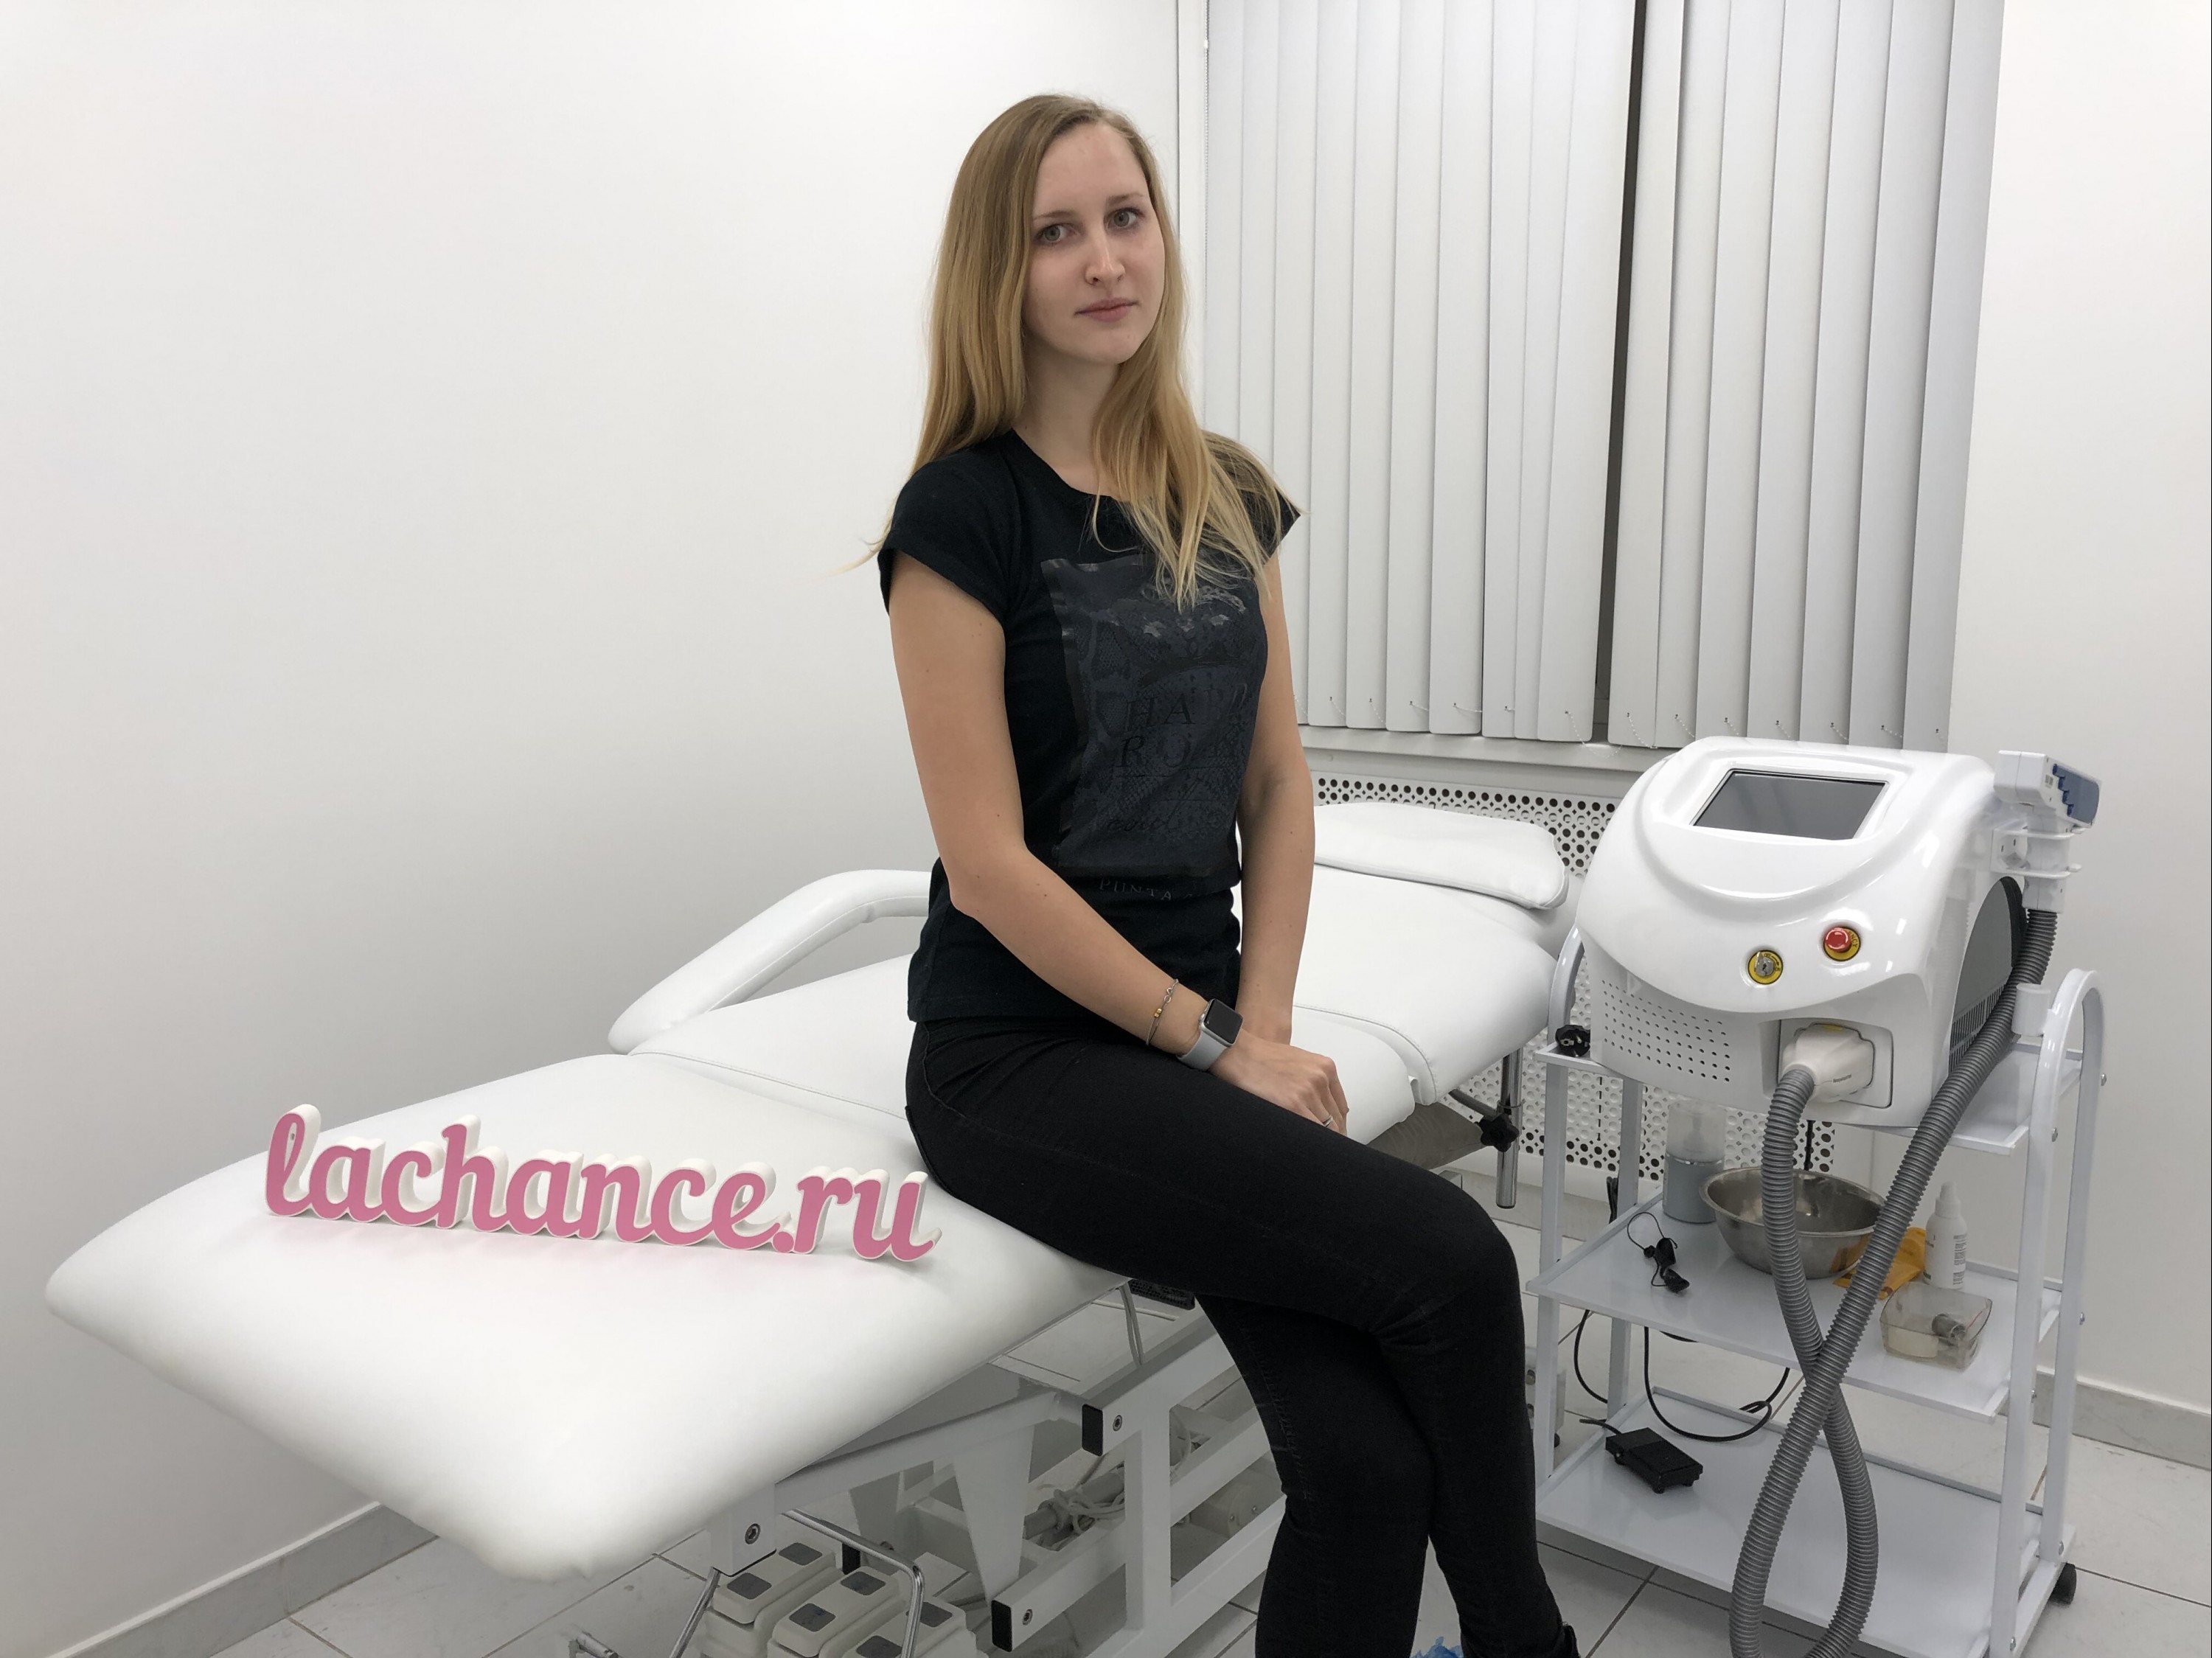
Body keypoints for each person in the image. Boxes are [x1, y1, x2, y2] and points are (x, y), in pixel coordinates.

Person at [867, 93, 1577, 1658]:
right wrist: (1216, 1046)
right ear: (998, 272)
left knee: (1370, 1473)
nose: (1106, 260)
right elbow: (989, 867)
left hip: (1192, 1042)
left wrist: (1259, 1025)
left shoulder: (1223, 488)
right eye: (1056, 233)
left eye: (1127, 217)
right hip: (1019, 1055)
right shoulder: (960, 516)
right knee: (1456, 1260)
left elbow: (1276, 783)